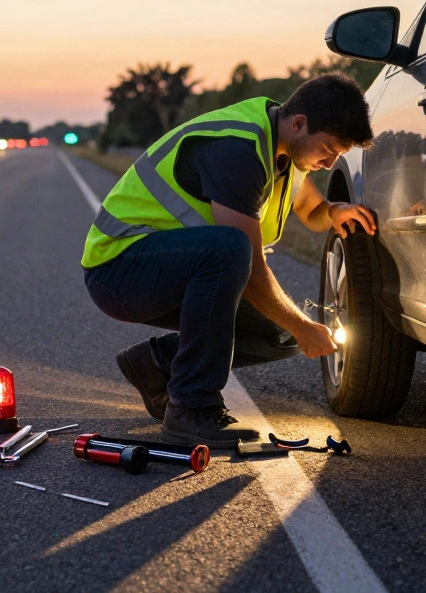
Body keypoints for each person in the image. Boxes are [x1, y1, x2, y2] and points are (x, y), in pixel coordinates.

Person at [81, 74, 377, 448]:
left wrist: (335, 211)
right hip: (118, 270)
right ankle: (192, 410)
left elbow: (312, 209)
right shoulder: (239, 148)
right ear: (300, 123)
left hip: (166, 270)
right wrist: (306, 327)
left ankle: (156, 366)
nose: (330, 161)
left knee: (280, 333)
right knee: (232, 250)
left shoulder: (288, 153)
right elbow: (251, 268)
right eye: (329, 149)